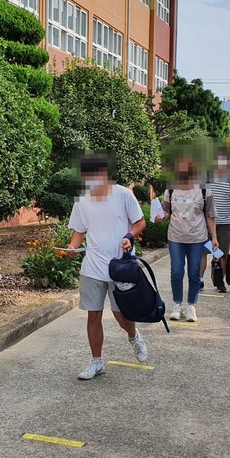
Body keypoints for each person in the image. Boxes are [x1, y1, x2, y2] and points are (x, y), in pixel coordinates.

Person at [67, 152, 148, 380]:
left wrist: (129, 237)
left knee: (121, 316)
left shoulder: (123, 194)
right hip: (92, 267)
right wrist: (72, 248)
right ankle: (96, 361)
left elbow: (140, 221)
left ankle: (134, 336)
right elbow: (79, 231)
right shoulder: (82, 200)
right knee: (93, 315)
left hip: (120, 267)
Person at [161, 156, 218, 323]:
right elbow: (166, 210)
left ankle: (191, 305)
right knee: (177, 271)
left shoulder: (203, 190)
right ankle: (177, 305)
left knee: (194, 272)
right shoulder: (170, 189)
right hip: (176, 237)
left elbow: (210, 214)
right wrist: (161, 215)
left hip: (197, 237)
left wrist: (214, 237)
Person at [199, 148, 230, 292]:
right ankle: (199, 280)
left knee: (222, 253)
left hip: (225, 223)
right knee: (203, 252)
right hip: (206, 222)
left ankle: (220, 280)